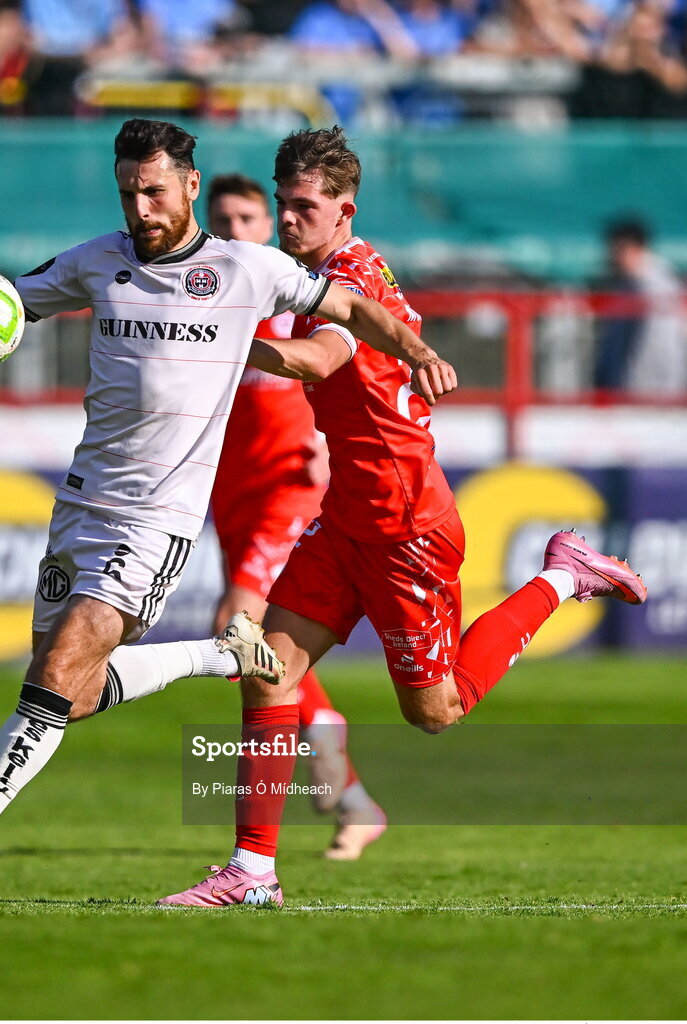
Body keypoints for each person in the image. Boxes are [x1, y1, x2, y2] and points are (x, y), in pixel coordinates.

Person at [0, 117, 458, 905]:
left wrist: (418, 351)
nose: (140, 208)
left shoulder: (245, 270)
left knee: (54, 674)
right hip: (82, 504)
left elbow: (352, 312)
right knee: (67, 694)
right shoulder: (96, 262)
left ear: (189, 187)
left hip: (158, 523)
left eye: (154, 190)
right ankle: (220, 655)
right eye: (128, 193)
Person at [142, 126, 647, 907]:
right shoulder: (320, 272)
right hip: (348, 514)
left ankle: (559, 576)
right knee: (267, 668)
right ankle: (251, 872)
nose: (287, 220)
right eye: (281, 205)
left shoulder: (349, 281)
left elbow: (318, 359)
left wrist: (210, 337)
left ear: (343, 211)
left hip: (407, 527)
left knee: (434, 711)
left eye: (303, 207)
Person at [206, 172, 386, 860]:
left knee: (237, 621)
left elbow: (331, 364)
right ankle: (349, 796)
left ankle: (327, 760)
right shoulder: (203, 297)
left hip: (288, 486)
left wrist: (321, 443)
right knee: (258, 638)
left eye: (247, 217)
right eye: (220, 219)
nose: (233, 231)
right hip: (229, 493)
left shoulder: (289, 288)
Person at [593, 216, 686, 396]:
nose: (611, 255)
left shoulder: (659, 288)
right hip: (629, 392)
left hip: (650, 395)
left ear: (633, 248)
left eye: (616, 248)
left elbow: (662, 349)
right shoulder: (627, 286)